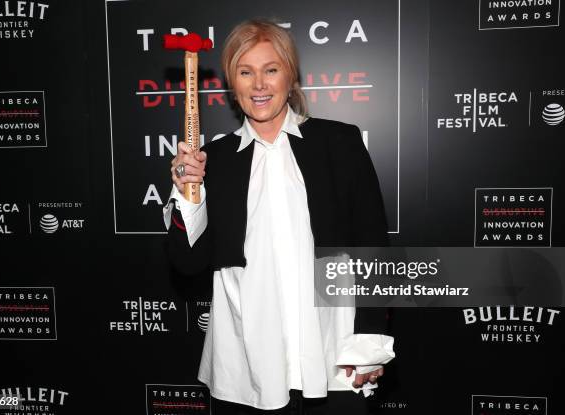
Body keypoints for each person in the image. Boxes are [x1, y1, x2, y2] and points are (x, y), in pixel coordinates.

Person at [163, 19, 395, 415]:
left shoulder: (340, 144)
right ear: (232, 84)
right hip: (245, 369)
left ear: (290, 76)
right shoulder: (212, 162)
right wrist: (188, 192)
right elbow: (187, 264)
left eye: (271, 70)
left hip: (331, 356)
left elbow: (373, 249)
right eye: (245, 71)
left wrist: (369, 346)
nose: (259, 85)